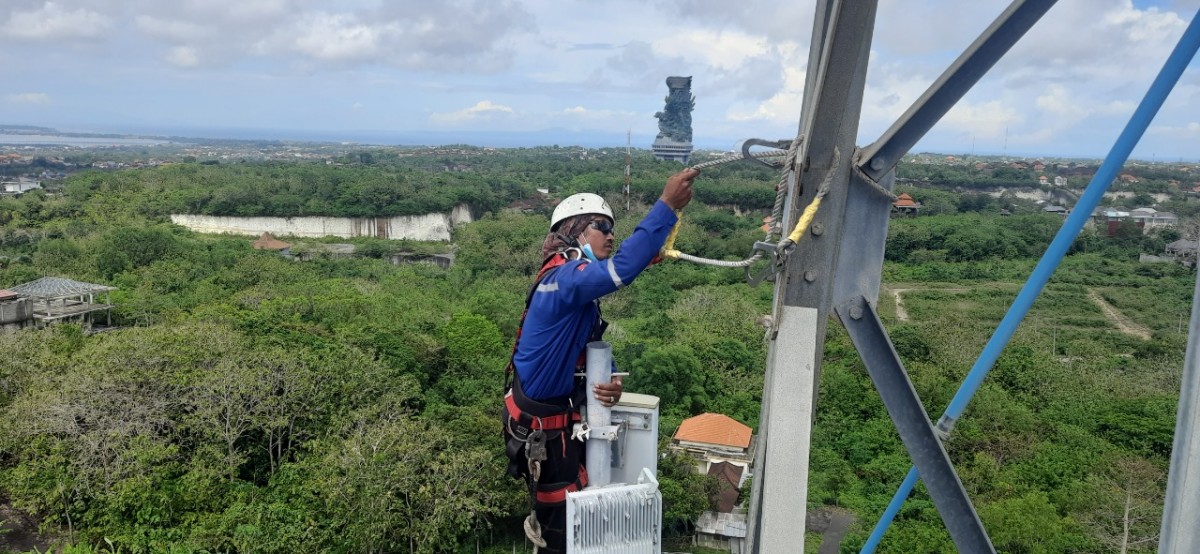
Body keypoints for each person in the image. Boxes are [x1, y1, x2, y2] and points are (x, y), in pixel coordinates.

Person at [502, 167, 697, 552]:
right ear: (574, 231)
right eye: (600, 226)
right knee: (562, 533)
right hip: (546, 432)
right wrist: (667, 206)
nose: (610, 235)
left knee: (579, 520)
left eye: (611, 228)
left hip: (558, 424)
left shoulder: (577, 295)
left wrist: (609, 379)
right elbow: (621, 270)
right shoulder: (563, 280)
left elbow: (584, 347)